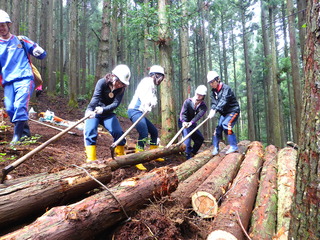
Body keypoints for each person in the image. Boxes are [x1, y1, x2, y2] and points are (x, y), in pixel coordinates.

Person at [0, 9, 47, 144]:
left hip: (24, 77)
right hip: (8, 81)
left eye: (3, 24)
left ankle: (16, 138)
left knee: (20, 105)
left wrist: (39, 52)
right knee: (10, 108)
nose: (1, 28)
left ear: (9, 24)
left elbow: (41, 53)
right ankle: (25, 132)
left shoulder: (21, 40)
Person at [84, 64, 131, 162]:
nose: (120, 85)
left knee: (118, 133)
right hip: (95, 111)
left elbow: (115, 104)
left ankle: (121, 158)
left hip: (107, 113)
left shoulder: (121, 89)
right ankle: (91, 159)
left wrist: (104, 110)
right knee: (90, 131)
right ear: (113, 76)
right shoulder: (102, 82)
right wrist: (89, 111)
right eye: (119, 82)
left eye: (123, 84)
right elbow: (95, 97)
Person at [127, 65, 165, 170]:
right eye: (160, 76)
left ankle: (154, 154)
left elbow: (153, 99)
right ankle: (138, 159)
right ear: (155, 75)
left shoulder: (153, 86)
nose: (161, 79)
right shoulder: (146, 82)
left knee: (154, 132)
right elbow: (142, 96)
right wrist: (147, 104)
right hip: (135, 110)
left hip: (141, 112)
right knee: (143, 133)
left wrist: (152, 103)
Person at [207, 71, 240, 155]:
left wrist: (216, 109)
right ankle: (216, 147)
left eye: (212, 82)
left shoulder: (226, 89)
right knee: (217, 130)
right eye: (210, 83)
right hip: (224, 113)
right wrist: (212, 109)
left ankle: (233, 146)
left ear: (218, 79)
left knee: (226, 125)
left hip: (233, 110)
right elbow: (214, 103)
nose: (211, 84)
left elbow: (224, 100)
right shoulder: (213, 92)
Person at [178, 85, 208, 159]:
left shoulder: (203, 107)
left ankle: (192, 152)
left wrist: (191, 122)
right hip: (183, 122)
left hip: (192, 124)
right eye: (197, 94)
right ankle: (187, 156)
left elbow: (198, 116)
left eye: (200, 95)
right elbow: (183, 113)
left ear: (203, 96)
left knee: (200, 139)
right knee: (187, 139)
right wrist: (184, 122)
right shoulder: (188, 101)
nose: (198, 96)